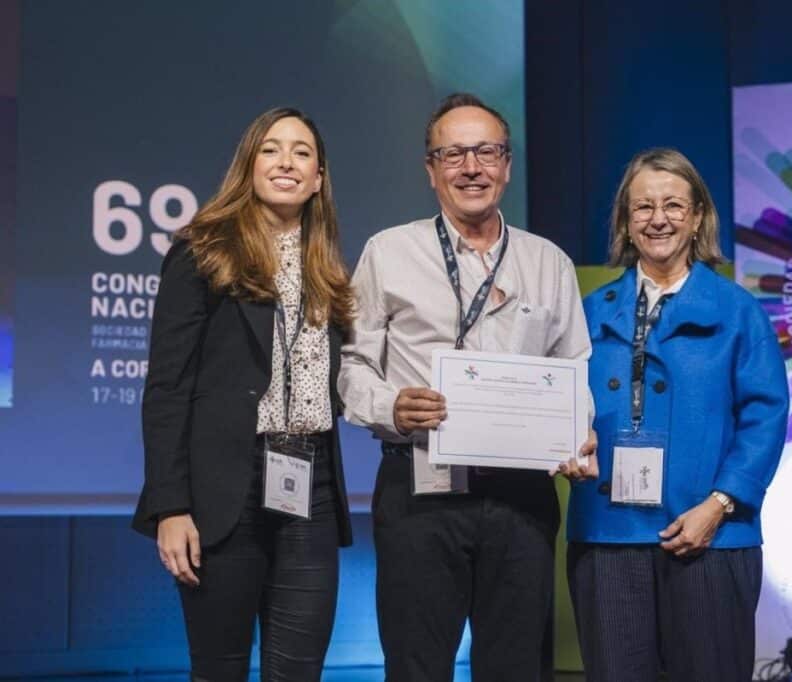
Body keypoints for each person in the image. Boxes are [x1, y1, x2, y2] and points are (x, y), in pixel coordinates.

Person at [340, 92, 597, 681]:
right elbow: (352, 366)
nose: (471, 167)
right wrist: (392, 406)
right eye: (453, 154)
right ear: (431, 171)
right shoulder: (389, 251)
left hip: (522, 495)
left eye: (486, 151)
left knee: (514, 665)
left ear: (507, 165)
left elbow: (574, 367)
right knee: (417, 664)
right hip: (420, 486)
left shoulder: (547, 261)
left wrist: (576, 432)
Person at [132, 107, 355, 680]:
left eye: (302, 152)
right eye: (271, 149)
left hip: (312, 487)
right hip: (222, 491)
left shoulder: (327, 266)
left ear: (319, 177)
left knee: (299, 670)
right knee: (220, 668)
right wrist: (170, 506)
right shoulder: (202, 250)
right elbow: (167, 389)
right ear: (249, 165)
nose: (286, 162)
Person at [566, 148, 789, 681]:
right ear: (625, 220)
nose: (658, 219)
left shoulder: (738, 310)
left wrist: (718, 505)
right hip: (608, 539)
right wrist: (563, 443)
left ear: (697, 218)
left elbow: (766, 415)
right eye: (642, 207)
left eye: (673, 205)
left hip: (710, 536)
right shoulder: (589, 311)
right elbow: (563, 403)